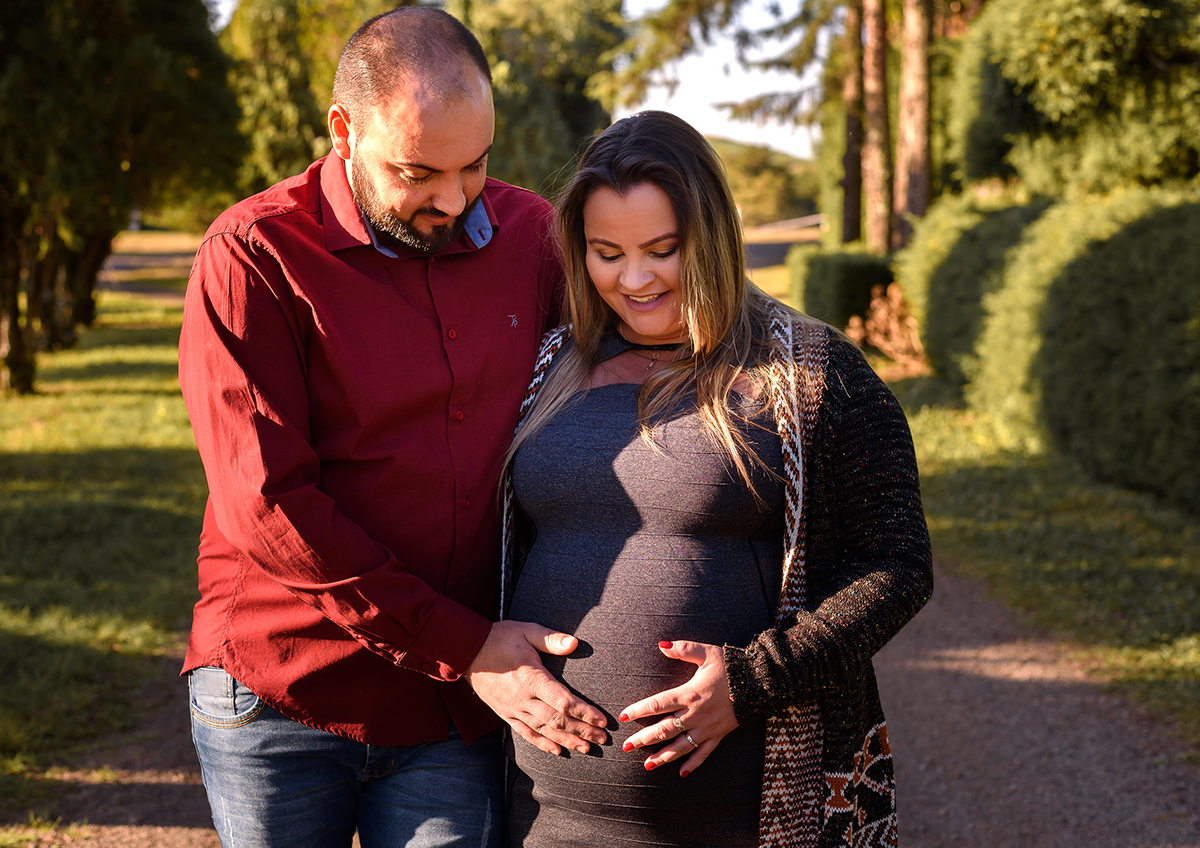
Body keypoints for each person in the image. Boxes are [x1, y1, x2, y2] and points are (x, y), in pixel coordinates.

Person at [177, 8, 606, 848]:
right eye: (419, 172)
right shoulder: (252, 255)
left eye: (475, 164)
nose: (453, 199)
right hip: (284, 691)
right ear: (344, 131)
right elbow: (269, 506)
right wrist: (466, 646)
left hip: (449, 712)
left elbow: (639, 343)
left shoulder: (533, 239)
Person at [499, 110, 934, 848]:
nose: (634, 280)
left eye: (662, 251)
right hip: (540, 816)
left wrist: (752, 682)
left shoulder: (811, 372)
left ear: (711, 238)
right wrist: (484, 658)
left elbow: (897, 566)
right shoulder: (545, 365)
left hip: (742, 815)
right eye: (607, 253)